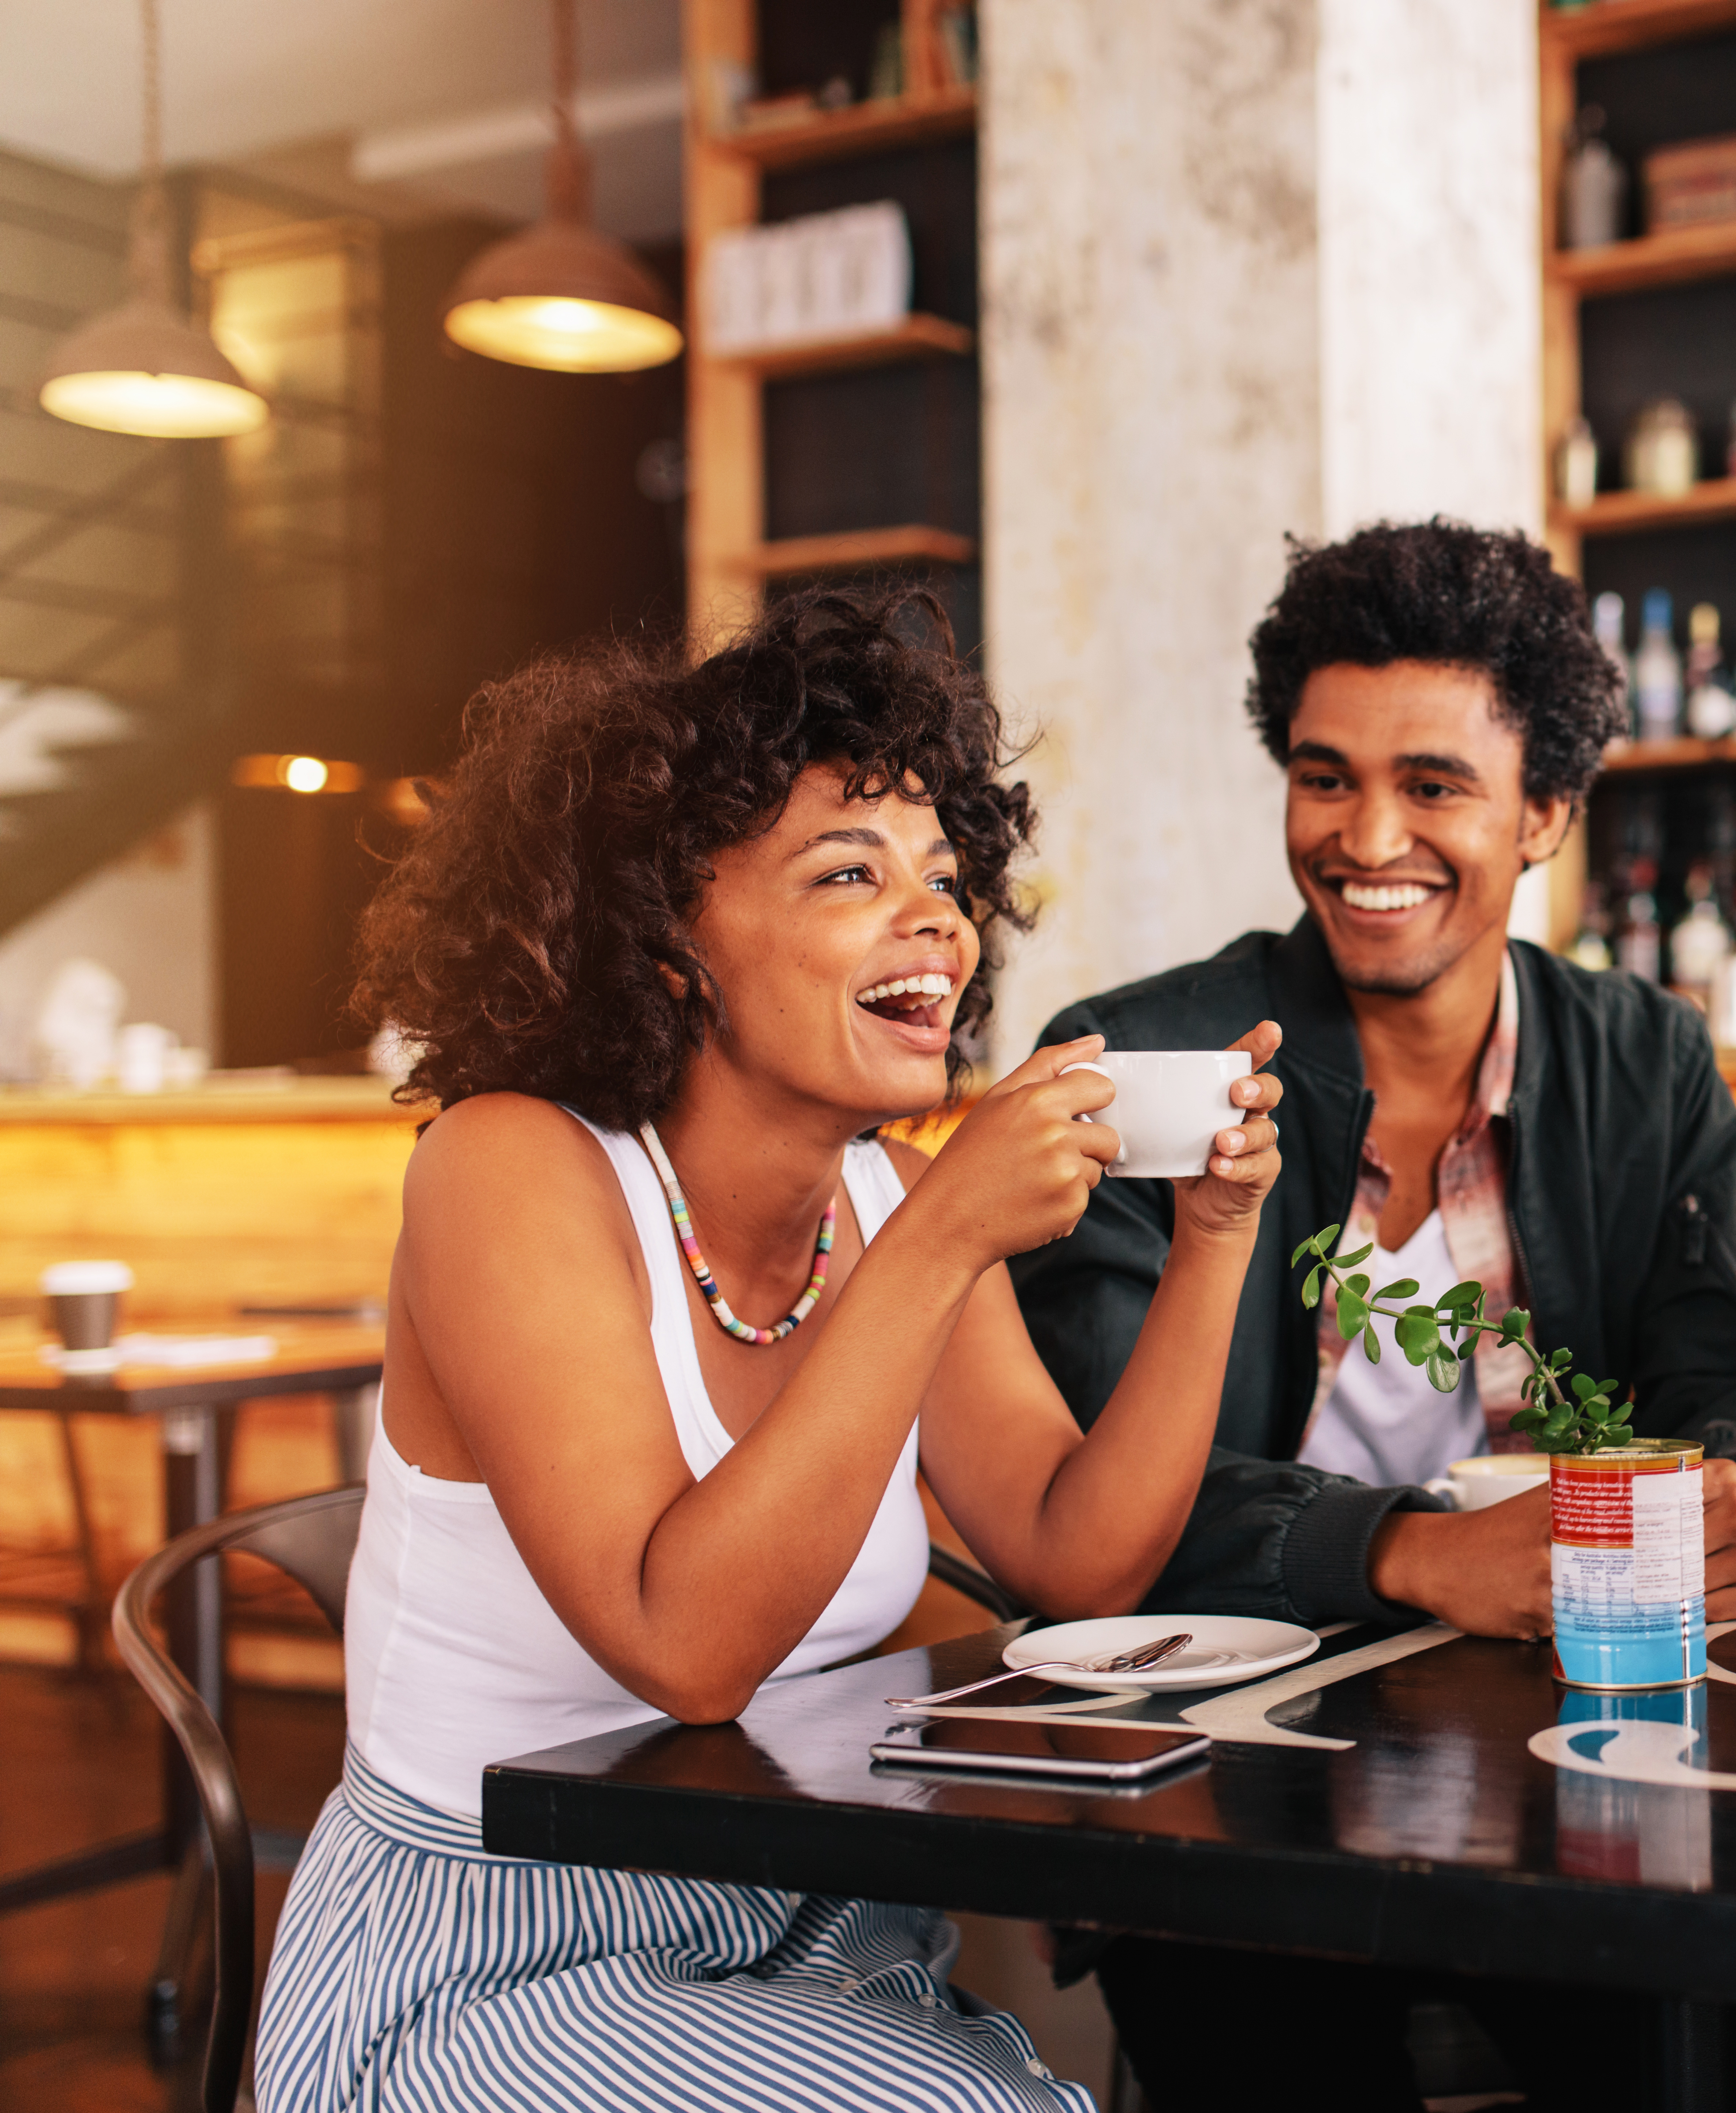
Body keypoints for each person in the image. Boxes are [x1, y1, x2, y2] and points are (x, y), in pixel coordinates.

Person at [255, 588, 1286, 2113]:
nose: (937, 918)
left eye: (944, 876)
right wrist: (943, 1243)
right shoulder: (511, 1167)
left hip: (813, 1920)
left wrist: (1213, 1239)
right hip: (488, 1960)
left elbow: (1079, 1560)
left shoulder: (893, 1198)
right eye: (850, 871)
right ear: (672, 938)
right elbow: (684, 1650)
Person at [1009, 518, 1736, 2112]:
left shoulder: (1646, 1063)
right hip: (1219, 1755)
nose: (1368, 838)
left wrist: (1712, 1507)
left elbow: (1718, 1392)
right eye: (1325, 777)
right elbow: (1092, 1494)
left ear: (1545, 812)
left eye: (1433, 785)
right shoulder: (1141, 1068)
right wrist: (1414, 1554)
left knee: (1697, 2048)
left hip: (1578, 1736)